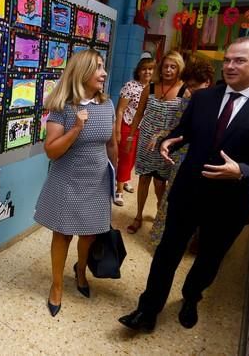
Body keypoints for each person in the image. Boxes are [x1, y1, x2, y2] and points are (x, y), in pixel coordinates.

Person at [118, 37, 249, 332]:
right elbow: (183, 133)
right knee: (166, 253)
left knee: (209, 259)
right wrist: (167, 142)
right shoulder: (203, 98)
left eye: (239, 60)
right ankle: (147, 310)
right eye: (227, 60)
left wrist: (242, 170)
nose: (230, 66)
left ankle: (190, 297)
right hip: (188, 192)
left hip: (230, 201)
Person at [34, 49, 117, 317]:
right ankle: (57, 285)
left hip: (98, 179)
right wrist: (77, 129)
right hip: (67, 181)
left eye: (103, 67)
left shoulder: (108, 105)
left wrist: (115, 180)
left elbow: (112, 143)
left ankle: (81, 270)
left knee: (90, 233)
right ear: (82, 72)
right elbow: (52, 150)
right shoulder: (62, 107)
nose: (104, 73)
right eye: (98, 68)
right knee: (63, 234)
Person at [148, 59, 215, 248]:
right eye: (189, 87)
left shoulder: (219, 104)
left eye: (194, 87)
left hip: (205, 161)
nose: (190, 90)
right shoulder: (188, 100)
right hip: (181, 156)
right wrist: (162, 136)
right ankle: (162, 240)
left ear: (207, 82)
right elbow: (176, 127)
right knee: (172, 198)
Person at [126, 51, 187, 234]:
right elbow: (138, 114)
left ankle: (160, 218)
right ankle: (138, 216)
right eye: (166, 66)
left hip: (165, 145)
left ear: (178, 69)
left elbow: (184, 124)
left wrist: (165, 136)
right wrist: (130, 136)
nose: (168, 70)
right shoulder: (151, 87)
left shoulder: (185, 91)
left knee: (160, 184)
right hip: (145, 140)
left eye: (173, 66)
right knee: (143, 179)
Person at [113, 57, 155, 206]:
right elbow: (120, 110)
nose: (147, 72)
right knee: (126, 157)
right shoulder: (130, 86)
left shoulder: (155, 88)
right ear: (138, 71)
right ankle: (119, 190)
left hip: (144, 129)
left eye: (150, 69)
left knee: (134, 158)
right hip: (128, 126)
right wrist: (117, 131)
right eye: (144, 69)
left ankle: (123, 180)